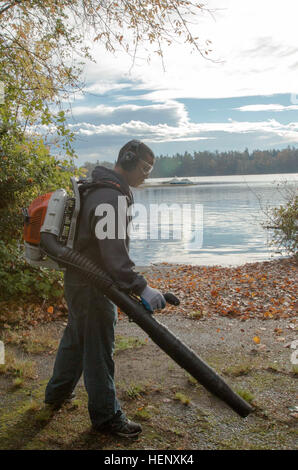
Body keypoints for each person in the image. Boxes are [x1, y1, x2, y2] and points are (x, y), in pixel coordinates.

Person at [44, 140, 166, 438]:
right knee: (99, 349)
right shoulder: (112, 197)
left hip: (78, 278)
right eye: (145, 168)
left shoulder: (97, 187)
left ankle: (57, 394)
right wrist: (142, 287)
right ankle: (107, 417)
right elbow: (114, 256)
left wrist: (139, 288)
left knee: (76, 336)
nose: (147, 175)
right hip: (93, 284)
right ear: (127, 159)